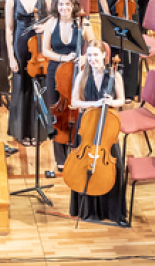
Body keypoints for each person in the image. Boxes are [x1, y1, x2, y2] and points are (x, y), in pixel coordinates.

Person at [68, 38, 127, 223]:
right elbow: (75, 102)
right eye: (89, 55)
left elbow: (121, 100)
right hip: (87, 126)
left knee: (115, 167)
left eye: (95, 55)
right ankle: (87, 209)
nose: (92, 59)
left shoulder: (115, 75)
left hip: (107, 128)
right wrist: (95, 103)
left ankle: (113, 211)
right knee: (83, 165)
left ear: (104, 55)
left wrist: (110, 102)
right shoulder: (82, 74)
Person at [41, 0, 94, 169]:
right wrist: (63, 58)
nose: (64, 8)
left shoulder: (83, 23)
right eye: (61, 4)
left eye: (67, 4)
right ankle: (60, 158)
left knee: (78, 112)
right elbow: (45, 51)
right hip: (55, 72)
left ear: (73, 6)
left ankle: (77, 150)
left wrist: (85, 58)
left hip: (77, 72)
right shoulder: (51, 23)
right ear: (56, 6)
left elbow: (94, 46)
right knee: (57, 114)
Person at [6, 0, 52, 146]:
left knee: (40, 87)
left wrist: (45, 25)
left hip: (40, 48)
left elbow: (53, 19)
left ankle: (38, 131)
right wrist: (11, 56)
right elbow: (9, 29)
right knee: (22, 86)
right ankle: (22, 131)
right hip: (20, 47)